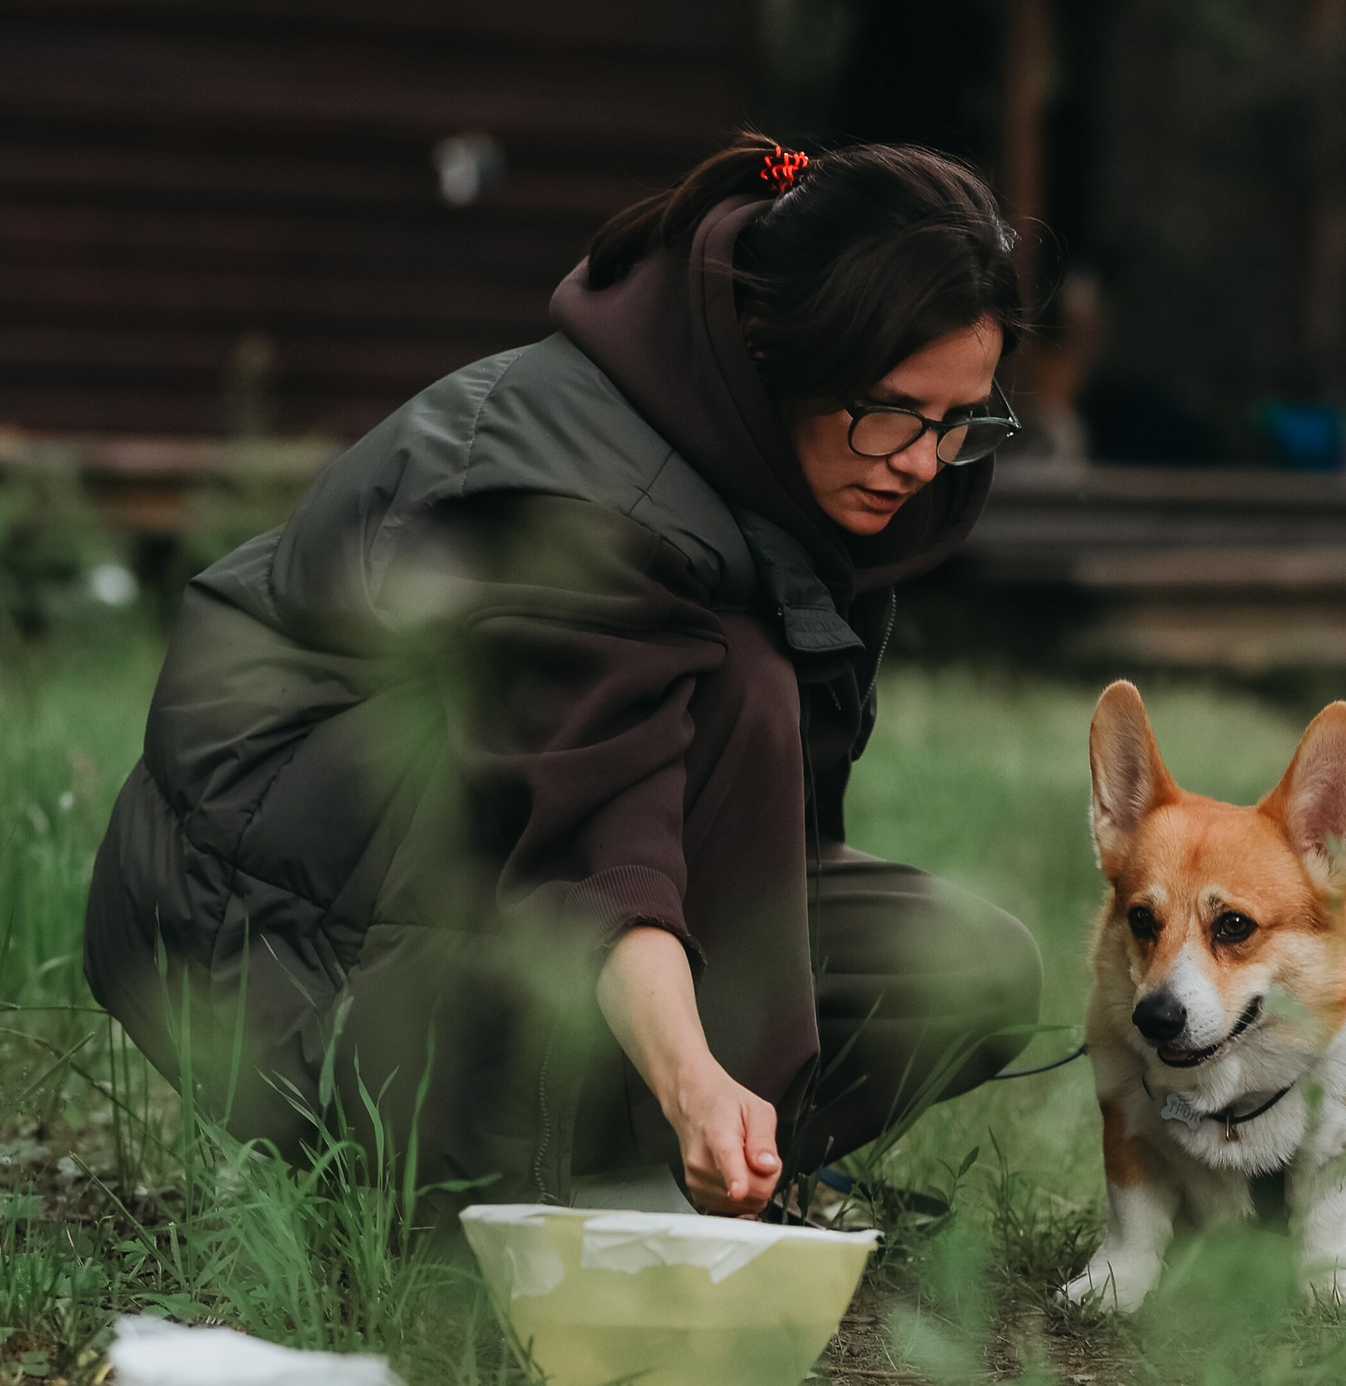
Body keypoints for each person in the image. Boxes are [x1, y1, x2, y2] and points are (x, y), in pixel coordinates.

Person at [85, 136, 1043, 1217]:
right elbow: (599, 841)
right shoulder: (579, 490)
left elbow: (736, 853)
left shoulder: (787, 454)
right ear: (776, 351)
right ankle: (534, 1193)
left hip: (497, 879)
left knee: (962, 966)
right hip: (267, 926)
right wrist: (692, 1075)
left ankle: (712, 1168)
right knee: (742, 681)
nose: (922, 461)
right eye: (892, 411)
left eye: (958, 420)